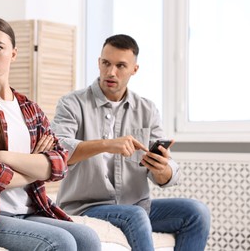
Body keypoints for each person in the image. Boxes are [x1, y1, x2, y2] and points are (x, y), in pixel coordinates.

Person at [0, 16, 101, 251]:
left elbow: (59, 163)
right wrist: (35, 168)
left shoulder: (29, 108)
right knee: (60, 242)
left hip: (30, 210)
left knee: (88, 238)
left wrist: (4, 156)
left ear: (13, 53)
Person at [51, 34, 210, 251]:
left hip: (137, 206)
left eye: (120, 66)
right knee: (133, 215)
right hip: (85, 207)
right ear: (99, 62)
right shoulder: (72, 103)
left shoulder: (147, 109)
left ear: (134, 69)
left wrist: (163, 169)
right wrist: (107, 144)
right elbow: (58, 151)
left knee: (196, 211)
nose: (111, 72)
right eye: (106, 63)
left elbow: (168, 173)